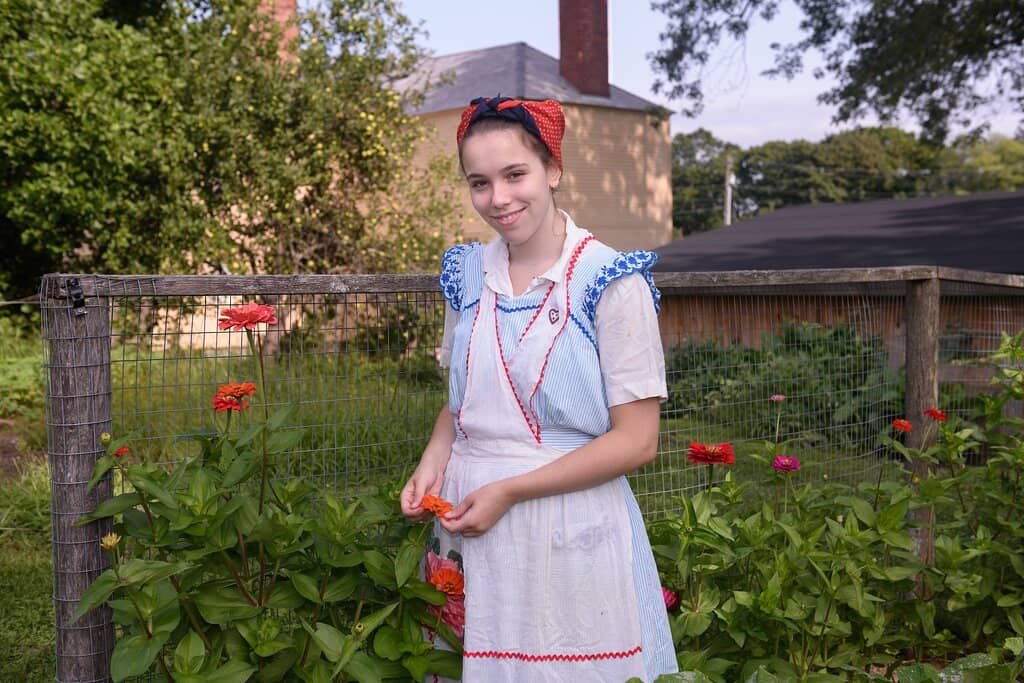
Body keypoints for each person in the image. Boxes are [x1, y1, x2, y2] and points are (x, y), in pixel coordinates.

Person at [400, 96, 677, 682]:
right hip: (468, 515)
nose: (498, 199)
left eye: (515, 174)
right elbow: (465, 395)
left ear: (553, 169)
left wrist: (512, 490)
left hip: (568, 523)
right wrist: (434, 459)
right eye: (480, 182)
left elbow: (638, 442)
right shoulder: (467, 274)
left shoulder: (610, 282)